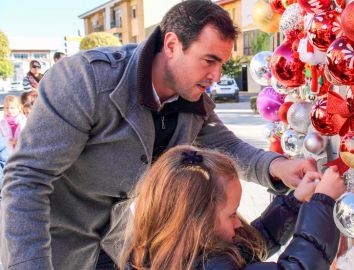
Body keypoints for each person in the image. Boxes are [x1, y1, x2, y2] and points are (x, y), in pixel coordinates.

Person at [0, 1, 317, 269]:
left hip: (117, 250)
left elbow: (225, 145)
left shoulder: (193, 100)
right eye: (210, 60)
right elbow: (26, 180)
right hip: (51, 252)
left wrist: (277, 167)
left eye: (222, 63)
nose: (217, 76)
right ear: (171, 45)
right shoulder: (85, 81)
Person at [120, 145, 344, 270]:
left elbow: (252, 244)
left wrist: (295, 202)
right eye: (231, 214)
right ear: (198, 222)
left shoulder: (169, 253)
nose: (238, 222)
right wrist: (322, 203)